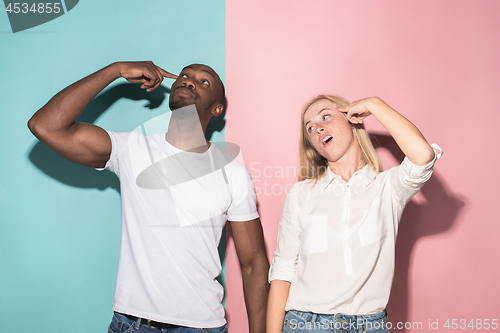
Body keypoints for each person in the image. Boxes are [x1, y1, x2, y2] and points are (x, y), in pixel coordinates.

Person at [28, 61, 269, 333]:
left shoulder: (232, 172)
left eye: (204, 82)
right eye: (185, 76)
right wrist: (115, 70)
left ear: (217, 108)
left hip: (202, 326)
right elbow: (45, 126)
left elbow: (253, 264)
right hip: (132, 324)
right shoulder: (131, 149)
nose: (189, 81)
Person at [266, 95, 442, 333]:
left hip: (370, 326)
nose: (318, 128)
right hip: (306, 325)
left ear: (352, 119)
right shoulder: (301, 194)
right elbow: (283, 270)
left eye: (325, 116)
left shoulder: (388, 188)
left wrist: (374, 104)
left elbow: (423, 156)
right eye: (310, 128)